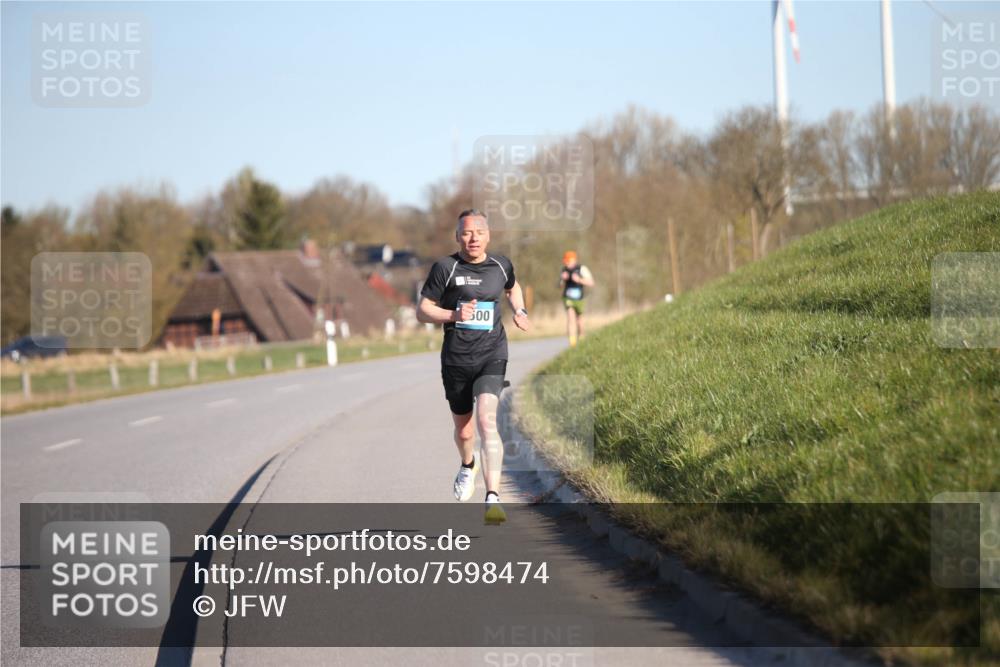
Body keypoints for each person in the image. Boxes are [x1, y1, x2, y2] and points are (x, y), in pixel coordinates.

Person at [417, 209, 531, 524]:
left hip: (492, 353)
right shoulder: (445, 268)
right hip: (456, 358)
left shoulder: (501, 265)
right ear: (458, 237)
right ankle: (468, 465)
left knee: (486, 421)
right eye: (466, 233)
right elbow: (423, 310)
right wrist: (454, 315)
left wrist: (519, 309)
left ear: (488, 235)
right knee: (464, 430)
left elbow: (513, 286)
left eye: (479, 232)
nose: (473, 238)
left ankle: (493, 497)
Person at [559, 251, 594, 347]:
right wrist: (562, 279)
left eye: (569, 261)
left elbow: (591, 282)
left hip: (579, 298)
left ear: (574, 260)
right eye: (566, 261)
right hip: (568, 297)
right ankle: (572, 343)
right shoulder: (564, 270)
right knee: (570, 318)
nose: (567, 263)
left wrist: (579, 280)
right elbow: (560, 285)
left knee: (580, 320)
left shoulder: (582, 269)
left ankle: (582, 339)